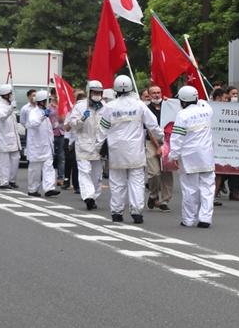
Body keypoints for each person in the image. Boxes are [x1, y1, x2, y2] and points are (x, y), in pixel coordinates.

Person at [98, 75, 162, 224]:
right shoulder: (139, 105)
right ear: (131, 88)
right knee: (137, 182)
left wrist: (97, 146)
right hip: (135, 151)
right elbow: (152, 125)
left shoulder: (109, 107)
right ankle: (136, 212)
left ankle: (116, 212)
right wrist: (161, 137)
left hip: (116, 151)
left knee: (117, 183)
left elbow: (103, 129)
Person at [169, 85, 215, 228]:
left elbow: (177, 137)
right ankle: (205, 219)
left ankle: (188, 219)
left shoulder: (182, 115)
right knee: (207, 188)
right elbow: (204, 102)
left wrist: (173, 155)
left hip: (189, 157)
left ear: (182, 101)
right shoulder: (207, 111)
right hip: (206, 156)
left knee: (190, 189)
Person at [65, 81, 106, 210]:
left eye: (99, 93)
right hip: (83, 144)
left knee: (97, 175)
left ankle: (93, 197)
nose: (97, 95)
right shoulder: (80, 106)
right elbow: (72, 124)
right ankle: (88, 196)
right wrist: (81, 119)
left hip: (99, 146)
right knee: (84, 172)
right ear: (89, 92)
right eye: (94, 92)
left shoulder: (105, 106)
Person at [25, 90, 60, 197]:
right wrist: (43, 116)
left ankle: (49, 188)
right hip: (36, 147)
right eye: (47, 101)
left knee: (49, 167)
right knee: (35, 170)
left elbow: (48, 130)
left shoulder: (46, 113)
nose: (49, 103)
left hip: (46, 147)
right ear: (41, 101)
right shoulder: (34, 112)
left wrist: (55, 125)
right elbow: (34, 123)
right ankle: (32, 189)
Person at [144, 84, 173, 211]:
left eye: (158, 92)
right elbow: (150, 130)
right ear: (149, 95)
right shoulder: (146, 109)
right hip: (152, 142)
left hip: (167, 141)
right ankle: (153, 195)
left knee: (167, 171)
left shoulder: (168, 106)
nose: (157, 95)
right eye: (153, 93)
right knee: (154, 172)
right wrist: (158, 146)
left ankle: (165, 200)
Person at [0, 84, 21, 189]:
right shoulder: (0, 106)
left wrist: (11, 108)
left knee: (16, 159)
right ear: (6, 95)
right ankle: (4, 181)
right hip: (3, 138)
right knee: (5, 162)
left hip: (12, 138)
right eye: (10, 93)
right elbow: (2, 116)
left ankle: (12, 180)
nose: (12, 95)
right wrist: (10, 108)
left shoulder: (9, 105)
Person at [219, 86, 239, 202]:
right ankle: (218, 187)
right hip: (222, 143)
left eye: (237, 94)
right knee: (222, 169)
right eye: (233, 94)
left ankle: (234, 192)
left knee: (236, 169)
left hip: (236, 143)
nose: (235, 96)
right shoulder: (219, 108)